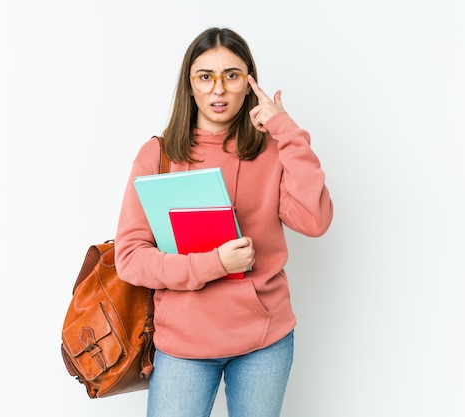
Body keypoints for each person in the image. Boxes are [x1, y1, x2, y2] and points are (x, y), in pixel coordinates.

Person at [115, 27, 333, 417]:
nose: (219, 89)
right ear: (191, 84)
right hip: (183, 346)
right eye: (206, 76)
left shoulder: (271, 150)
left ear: (249, 83)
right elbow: (130, 258)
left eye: (232, 75)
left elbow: (315, 220)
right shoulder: (158, 155)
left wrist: (286, 130)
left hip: (264, 342)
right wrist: (215, 264)